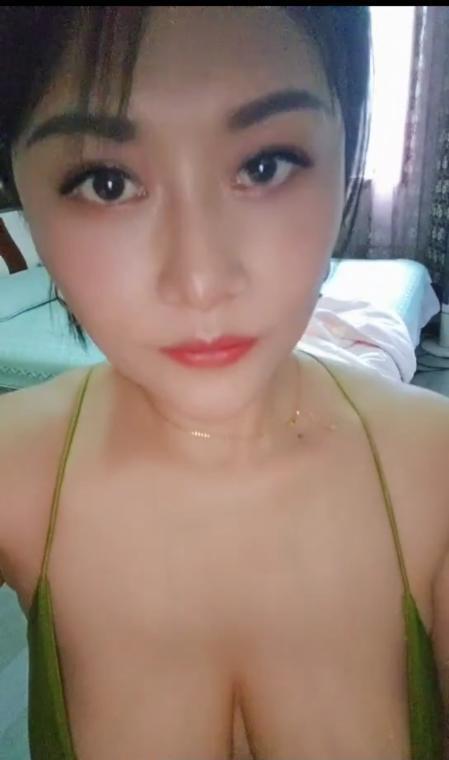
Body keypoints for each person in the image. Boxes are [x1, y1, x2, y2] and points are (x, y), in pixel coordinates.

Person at [0, 6, 448, 760]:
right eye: (106, 183)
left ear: (345, 153)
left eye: (265, 165)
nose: (201, 281)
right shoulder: (15, 468)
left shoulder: (433, 471)